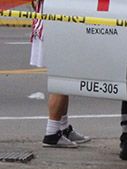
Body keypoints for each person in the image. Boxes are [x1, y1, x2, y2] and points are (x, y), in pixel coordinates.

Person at [30, 0, 90, 148]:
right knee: (61, 77)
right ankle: (52, 132)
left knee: (65, 76)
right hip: (56, 25)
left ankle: (63, 127)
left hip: (56, 20)